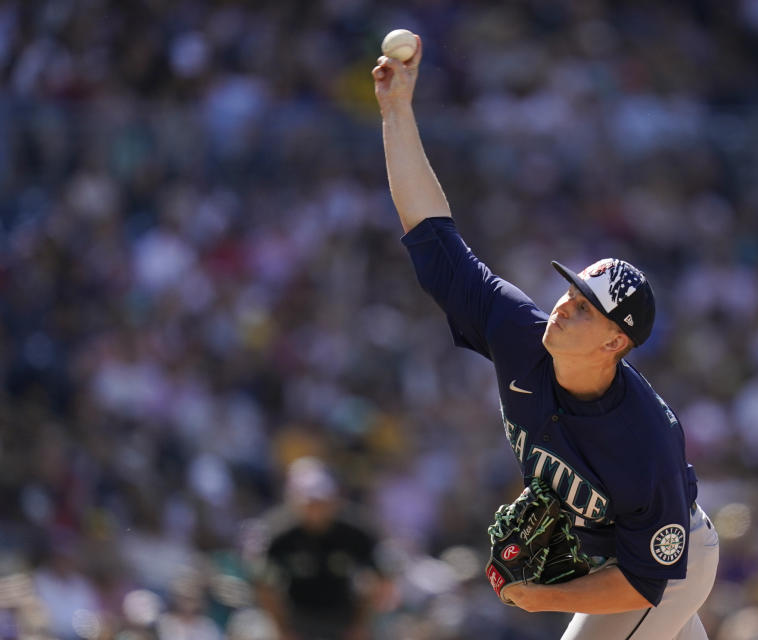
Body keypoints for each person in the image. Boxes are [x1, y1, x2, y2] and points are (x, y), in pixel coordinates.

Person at [372, 35, 720, 639]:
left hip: (669, 563)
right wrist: (398, 113)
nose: (564, 306)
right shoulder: (517, 332)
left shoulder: (643, 440)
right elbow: (432, 234)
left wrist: (543, 597)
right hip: (621, 558)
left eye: (586, 309)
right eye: (571, 290)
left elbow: (642, 584)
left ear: (617, 343)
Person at [255, 458, 386, 640]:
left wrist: (360, 625)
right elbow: (263, 586)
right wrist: (283, 630)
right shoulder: (277, 534)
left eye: (321, 502)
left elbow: (379, 579)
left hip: (343, 616)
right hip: (296, 617)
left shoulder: (356, 532)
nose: (315, 509)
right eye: (309, 503)